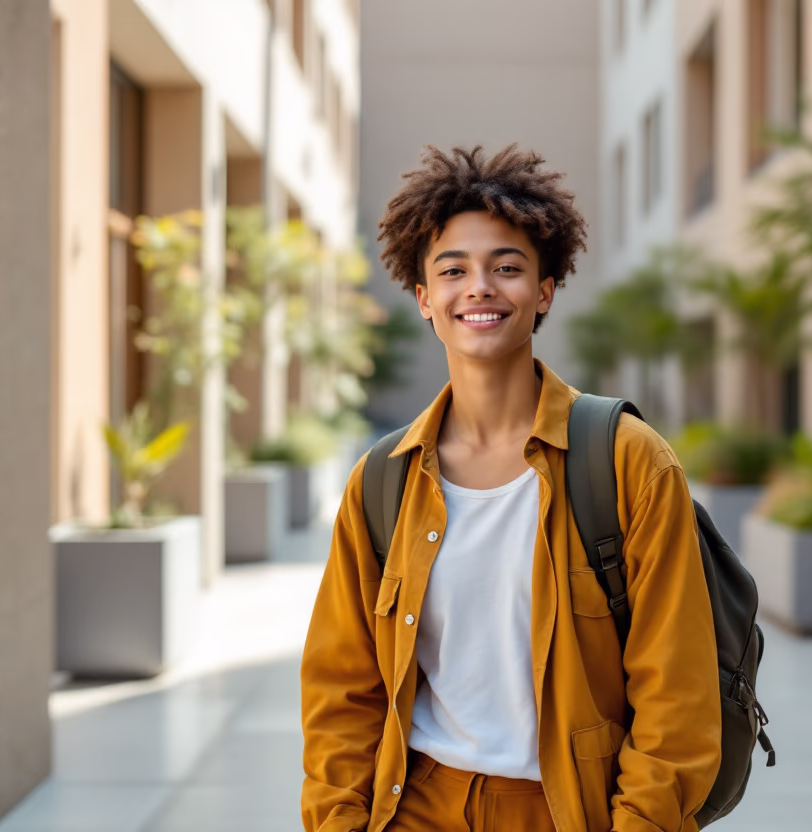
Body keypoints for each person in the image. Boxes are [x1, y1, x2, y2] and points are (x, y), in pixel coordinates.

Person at [301, 145, 721, 832]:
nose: (480, 288)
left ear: (546, 290)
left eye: (507, 267)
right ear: (425, 300)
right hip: (417, 806)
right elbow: (341, 693)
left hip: (567, 812)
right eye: (453, 270)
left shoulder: (627, 463)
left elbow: (678, 697)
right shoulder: (384, 481)